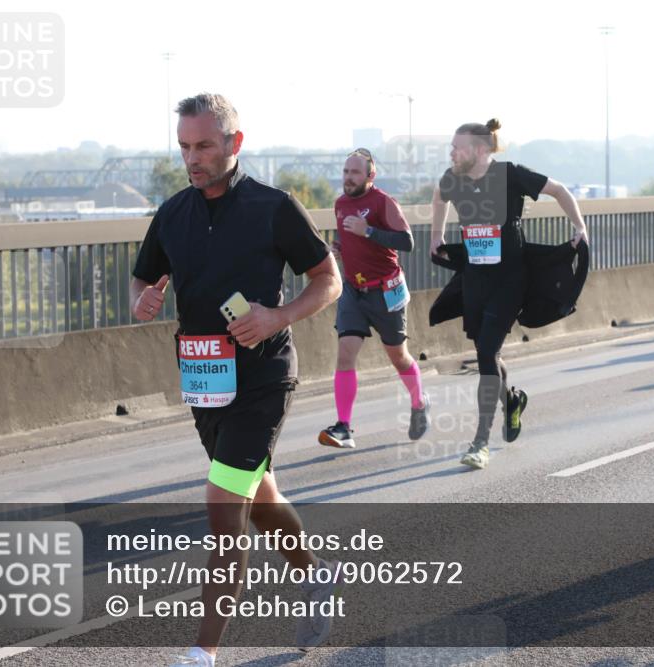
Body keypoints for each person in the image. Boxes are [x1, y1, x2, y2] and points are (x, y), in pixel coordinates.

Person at [130, 93, 344, 665]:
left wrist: (277, 316)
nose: (191, 158)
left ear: (234, 143)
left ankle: (203, 652)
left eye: (203, 146)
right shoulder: (172, 213)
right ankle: (316, 573)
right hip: (204, 379)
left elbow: (329, 279)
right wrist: (141, 300)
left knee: (224, 504)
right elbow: (142, 280)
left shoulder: (273, 207)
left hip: (264, 377)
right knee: (260, 494)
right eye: (184, 147)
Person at [430, 119, 588, 470]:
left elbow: (560, 190)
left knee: (487, 353)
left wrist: (580, 227)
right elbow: (439, 197)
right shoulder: (453, 178)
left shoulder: (510, 175)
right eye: (451, 147)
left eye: (458, 147)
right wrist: (436, 235)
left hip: (510, 280)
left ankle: (480, 442)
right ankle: (512, 400)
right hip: (475, 280)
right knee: (487, 355)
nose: (452, 153)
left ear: (480, 149)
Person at [318, 149, 430, 449]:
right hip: (354, 290)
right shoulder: (341, 204)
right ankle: (343, 427)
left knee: (398, 356)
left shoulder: (383, 202)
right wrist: (338, 248)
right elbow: (350, 239)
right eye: (345, 172)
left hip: (386, 291)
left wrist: (368, 230)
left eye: (355, 172)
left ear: (370, 176)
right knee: (345, 353)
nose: (348, 178)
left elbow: (407, 241)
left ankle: (419, 402)